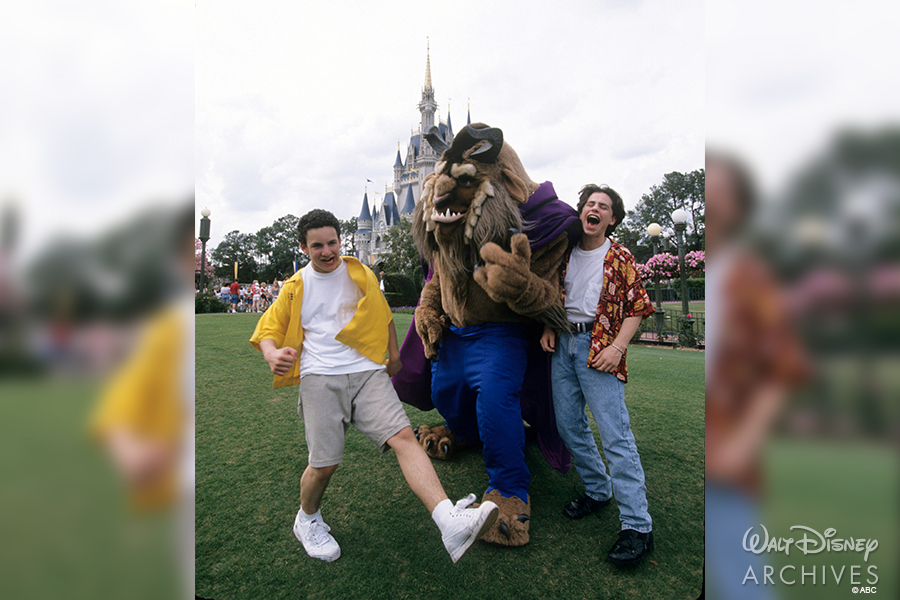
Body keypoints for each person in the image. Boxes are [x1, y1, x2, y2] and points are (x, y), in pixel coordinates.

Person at [249, 209, 498, 564]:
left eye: (332, 242)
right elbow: (268, 330)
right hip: (321, 378)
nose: (327, 251)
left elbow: (382, 316)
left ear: (340, 240)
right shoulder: (295, 287)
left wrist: (394, 357)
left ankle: (449, 523)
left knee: (404, 438)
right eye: (317, 245)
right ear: (304, 247)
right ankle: (307, 519)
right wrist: (272, 355)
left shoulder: (359, 272)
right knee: (324, 464)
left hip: (367, 373)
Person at [541, 184, 656, 566]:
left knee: (615, 436)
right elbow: (559, 298)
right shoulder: (566, 255)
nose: (594, 209)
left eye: (603, 206)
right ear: (581, 212)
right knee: (569, 426)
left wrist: (617, 347)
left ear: (612, 218)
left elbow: (638, 307)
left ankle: (638, 527)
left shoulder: (620, 256)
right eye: (589, 203)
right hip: (565, 345)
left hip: (600, 347)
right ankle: (597, 489)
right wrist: (549, 327)